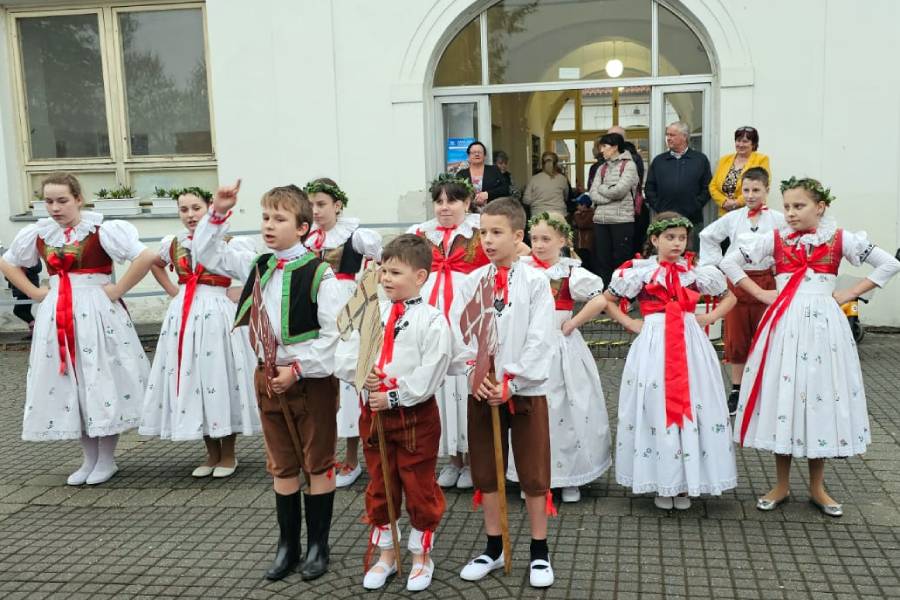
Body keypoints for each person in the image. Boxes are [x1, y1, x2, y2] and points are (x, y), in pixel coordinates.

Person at [720, 177, 900, 517]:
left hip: (823, 330)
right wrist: (760, 294)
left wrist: (847, 293)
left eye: (798, 206)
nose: (790, 213)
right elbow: (730, 262)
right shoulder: (774, 239)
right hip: (785, 325)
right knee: (784, 398)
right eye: (786, 206)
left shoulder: (839, 239)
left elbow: (890, 263)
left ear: (821, 207)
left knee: (818, 397)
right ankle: (781, 483)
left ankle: (818, 487)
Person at [192, 181, 342, 581]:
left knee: (318, 463)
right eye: (265, 217)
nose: (269, 225)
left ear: (304, 227)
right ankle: (287, 546)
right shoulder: (258, 264)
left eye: (280, 218)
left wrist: (298, 369)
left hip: (309, 380)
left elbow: (336, 336)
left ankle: (317, 546)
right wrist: (218, 212)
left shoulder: (320, 273)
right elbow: (204, 253)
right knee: (282, 465)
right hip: (267, 374)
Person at [0, 172, 155, 486]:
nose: (55, 208)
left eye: (62, 200)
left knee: (99, 379)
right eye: (49, 201)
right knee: (73, 381)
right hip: (57, 311)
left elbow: (146, 256)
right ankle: (89, 458)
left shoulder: (102, 230)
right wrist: (34, 293)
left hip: (96, 311)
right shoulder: (40, 233)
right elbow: (8, 261)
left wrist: (117, 289)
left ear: (78, 200)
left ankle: (107, 459)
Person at [335, 234, 451, 592]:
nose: (385, 278)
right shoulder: (372, 311)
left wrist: (397, 396)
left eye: (395, 272)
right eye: (383, 270)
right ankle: (387, 554)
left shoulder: (432, 319)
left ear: (419, 277)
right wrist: (361, 374)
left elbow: (433, 367)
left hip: (414, 417)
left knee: (418, 486)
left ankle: (420, 556)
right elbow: (347, 349)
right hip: (374, 413)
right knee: (380, 484)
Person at [451, 198, 557, 588]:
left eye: (497, 233)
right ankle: (493, 546)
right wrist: (476, 375)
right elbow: (458, 332)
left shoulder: (535, 282)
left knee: (532, 471)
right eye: (483, 232)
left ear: (518, 236)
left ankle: (539, 551)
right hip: (483, 390)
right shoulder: (471, 282)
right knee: (486, 469)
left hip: (523, 391)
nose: (488, 240)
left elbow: (540, 337)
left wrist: (512, 379)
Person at [603, 212, 737, 510]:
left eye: (681, 238)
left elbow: (730, 297)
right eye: (670, 237)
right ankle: (661, 479)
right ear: (654, 239)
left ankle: (688, 481)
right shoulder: (639, 272)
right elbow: (608, 300)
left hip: (689, 340)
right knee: (656, 402)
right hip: (655, 341)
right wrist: (631, 323)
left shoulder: (697, 272)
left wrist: (709, 317)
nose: (677, 243)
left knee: (694, 399)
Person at [139, 187, 260, 477]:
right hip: (185, 313)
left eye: (196, 208)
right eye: (184, 210)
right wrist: (173, 291)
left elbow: (255, 271)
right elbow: (154, 264)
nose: (190, 215)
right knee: (193, 377)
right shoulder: (173, 243)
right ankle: (211, 453)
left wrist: (239, 293)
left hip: (217, 312)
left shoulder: (230, 241)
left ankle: (228, 454)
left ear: (209, 207)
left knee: (218, 374)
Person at [511, 212, 611, 503]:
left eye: (546, 239)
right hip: (529, 348)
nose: (539, 245)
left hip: (560, 348)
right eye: (535, 239)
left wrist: (573, 323)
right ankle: (531, 474)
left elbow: (599, 298)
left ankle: (569, 476)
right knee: (531, 412)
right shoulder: (522, 269)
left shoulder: (569, 272)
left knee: (567, 409)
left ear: (562, 241)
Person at [408, 174, 489, 490]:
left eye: (452, 200)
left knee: (464, 383)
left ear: (467, 202)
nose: (444, 207)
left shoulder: (480, 232)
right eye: (439, 201)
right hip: (430, 311)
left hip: (466, 312)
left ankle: (471, 457)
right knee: (439, 383)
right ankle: (451, 458)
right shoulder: (419, 234)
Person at [303, 177, 383, 489]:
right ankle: (321, 453)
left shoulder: (355, 236)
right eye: (311, 205)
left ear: (337, 205)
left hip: (347, 304)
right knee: (321, 378)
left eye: (321, 204)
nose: (316, 211)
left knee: (348, 377)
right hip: (315, 305)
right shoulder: (307, 239)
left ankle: (353, 456)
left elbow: (378, 262)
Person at [698, 168, 785, 415]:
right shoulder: (734, 218)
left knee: (766, 335)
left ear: (767, 191)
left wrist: (781, 273)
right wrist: (714, 266)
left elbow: (786, 245)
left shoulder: (778, 219)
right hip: (737, 281)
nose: (750, 195)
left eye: (756, 190)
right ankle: (737, 389)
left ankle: (766, 389)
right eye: (745, 190)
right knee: (736, 338)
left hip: (767, 283)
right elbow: (708, 236)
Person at [644, 121, 712, 249]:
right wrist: (659, 206)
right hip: (664, 219)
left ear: (684, 137)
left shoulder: (699, 159)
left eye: (672, 135)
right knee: (666, 255)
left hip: (692, 220)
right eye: (667, 135)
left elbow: (707, 187)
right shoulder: (659, 161)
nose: (668, 138)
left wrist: (695, 205)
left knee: (691, 258)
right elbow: (650, 188)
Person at [588, 132, 639, 287]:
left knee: (621, 261)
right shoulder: (601, 168)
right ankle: (605, 295)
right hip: (601, 221)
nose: (601, 150)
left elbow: (620, 191)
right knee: (603, 260)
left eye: (604, 146)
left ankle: (622, 296)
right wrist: (609, 192)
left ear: (615, 147)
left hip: (621, 220)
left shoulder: (629, 165)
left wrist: (603, 189)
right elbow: (592, 193)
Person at [709, 126, 770, 217]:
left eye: (745, 141)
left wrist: (736, 203)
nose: (741, 144)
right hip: (725, 214)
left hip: (750, 213)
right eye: (738, 140)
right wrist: (724, 202)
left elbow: (762, 185)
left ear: (753, 144)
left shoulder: (761, 159)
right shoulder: (724, 160)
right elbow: (712, 186)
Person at [457, 141, 509, 210]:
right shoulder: (462, 174)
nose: (477, 154)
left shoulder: (494, 170)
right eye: (473, 152)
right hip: (468, 211)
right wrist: (472, 199)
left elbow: (505, 189)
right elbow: (456, 193)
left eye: (479, 152)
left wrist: (487, 194)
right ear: (469, 156)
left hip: (492, 210)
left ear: (484, 155)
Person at [522, 152, 569, 217]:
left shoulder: (534, 179)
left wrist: (537, 200)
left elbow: (526, 200)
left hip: (538, 216)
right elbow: (566, 197)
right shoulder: (562, 179)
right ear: (556, 164)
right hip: (559, 215)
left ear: (542, 164)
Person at [4, 262, 41, 339]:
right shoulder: (15, 256)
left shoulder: (30, 254)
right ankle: (34, 331)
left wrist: (22, 267)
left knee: (18, 311)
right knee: (25, 311)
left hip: (28, 287)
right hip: (21, 287)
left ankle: (36, 330)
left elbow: (38, 268)